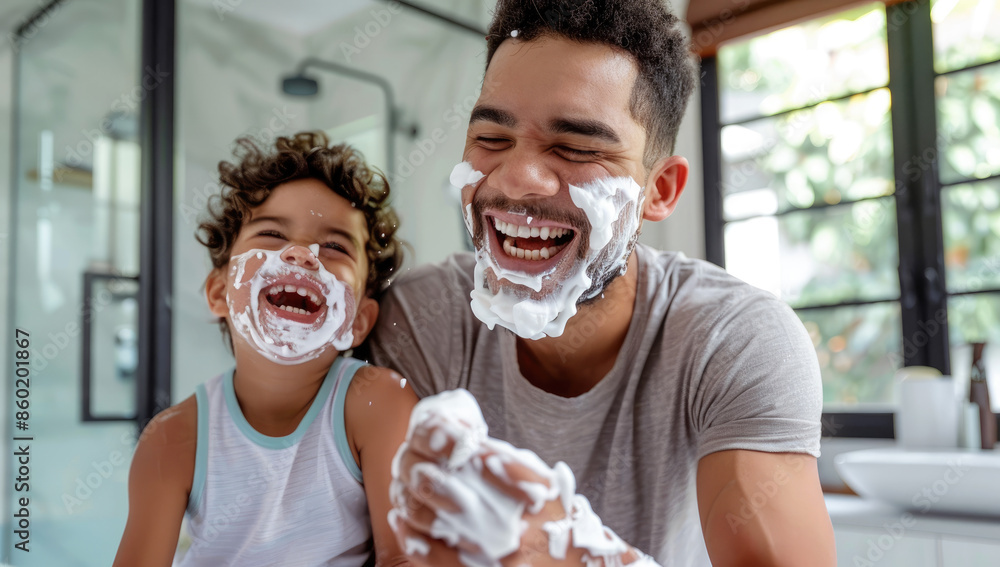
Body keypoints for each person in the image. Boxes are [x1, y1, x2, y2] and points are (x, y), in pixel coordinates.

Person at [362, 1, 837, 565]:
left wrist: (573, 554)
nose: (516, 180)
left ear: (659, 190)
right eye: (492, 137)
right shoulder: (422, 319)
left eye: (577, 148)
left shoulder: (736, 341)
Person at [114, 132, 417, 566]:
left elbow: (405, 558)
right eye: (273, 234)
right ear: (219, 292)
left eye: (334, 247)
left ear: (358, 322)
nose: (301, 254)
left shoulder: (376, 403)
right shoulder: (173, 439)